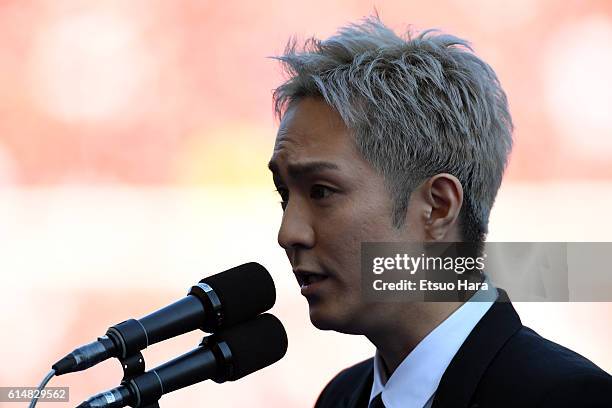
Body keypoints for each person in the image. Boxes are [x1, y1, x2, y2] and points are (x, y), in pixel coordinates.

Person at [267, 15, 612, 408]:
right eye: (283, 193)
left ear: (437, 207)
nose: (288, 233)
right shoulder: (340, 397)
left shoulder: (567, 398)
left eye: (322, 191)